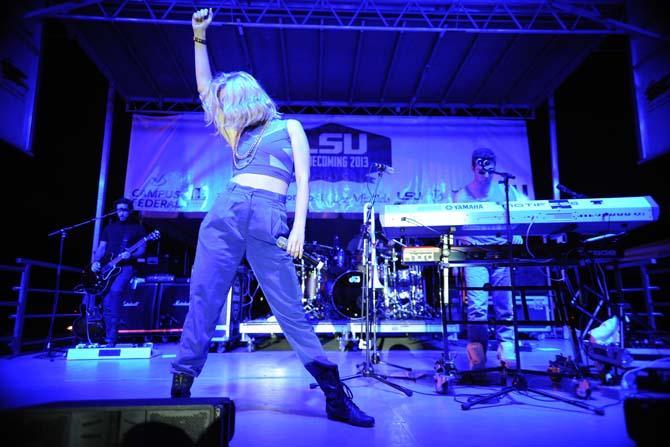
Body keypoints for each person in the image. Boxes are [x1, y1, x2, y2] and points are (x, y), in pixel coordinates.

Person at [170, 8, 374, 428]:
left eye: (230, 103)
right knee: (204, 298)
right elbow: (205, 89)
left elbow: (304, 181)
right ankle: (181, 383)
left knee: (290, 309)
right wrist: (198, 38)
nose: (223, 110)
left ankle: (334, 394)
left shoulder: (290, 128)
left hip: (269, 217)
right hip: (227, 211)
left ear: (247, 98)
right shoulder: (236, 135)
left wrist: (299, 226)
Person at [452, 148, 527, 371]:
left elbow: (525, 211)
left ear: (494, 164)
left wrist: (517, 234)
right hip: (475, 256)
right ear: (473, 166)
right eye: (479, 163)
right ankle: (478, 350)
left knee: (505, 304)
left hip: (501, 253)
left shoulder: (507, 190)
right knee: (477, 306)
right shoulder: (462, 194)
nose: (483, 167)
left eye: (488, 162)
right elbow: (458, 228)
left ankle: (507, 345)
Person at [91, 198, 147, 346]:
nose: (121, 212)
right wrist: (95, 262)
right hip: (108, 267)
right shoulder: (109, 228)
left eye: (124, 209)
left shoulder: (138, 228)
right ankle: (109, 337)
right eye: (119, 210)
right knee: (106, 298)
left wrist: (132, 255)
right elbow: (101, 248)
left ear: (130, 210)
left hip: (127, 267)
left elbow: (142, 249)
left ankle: (112, 336)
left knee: (115, 292)